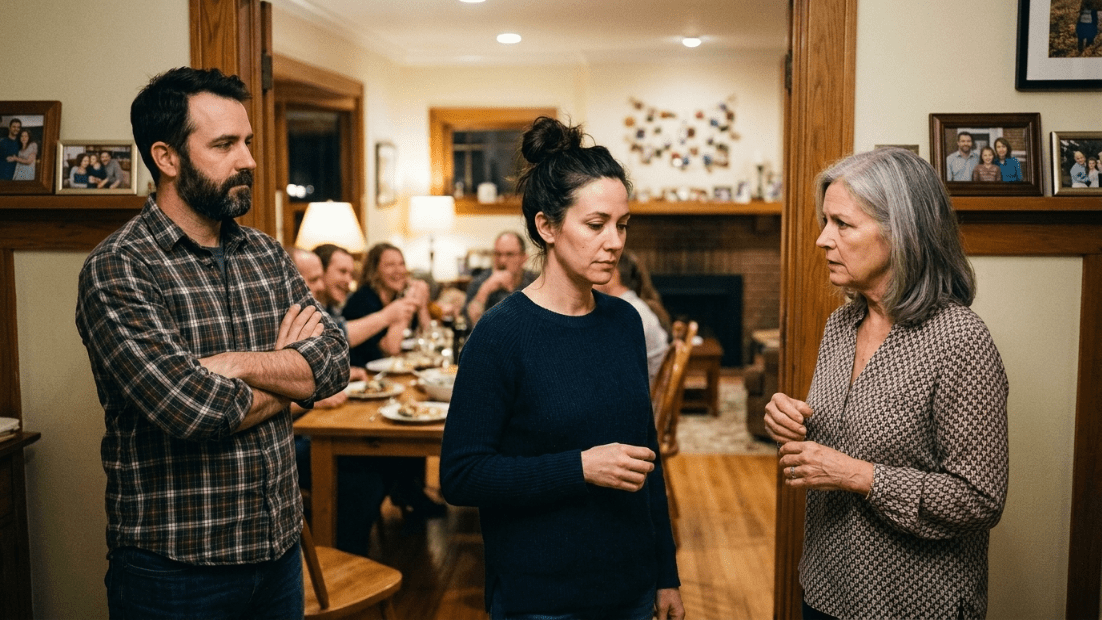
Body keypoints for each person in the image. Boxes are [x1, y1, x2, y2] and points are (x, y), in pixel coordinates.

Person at [75, 66, 349, 619]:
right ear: (167, 158)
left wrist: (238, 365)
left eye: (247, 141)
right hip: (175, 571)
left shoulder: (266, 254)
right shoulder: (119, 268)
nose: (248, 160)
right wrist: (291, 377)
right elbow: (195, 410)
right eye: (224, 145)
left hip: (278, 553)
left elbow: (334, 362)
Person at [440, 116, 684, 620]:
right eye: (596, 225)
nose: (614, 242)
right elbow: (462, 475)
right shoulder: (500, 335)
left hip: (631, 587)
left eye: (622, 225)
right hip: (541, 597)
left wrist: (666, 575)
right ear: (546, 227)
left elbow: (648, 457)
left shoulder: (624, 323)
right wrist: (580, 468)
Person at [764, 147, 1008, 619]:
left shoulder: (960, 340)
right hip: (824, 589)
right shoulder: (841, 324)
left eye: (842, 224)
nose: (822, 239)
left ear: (903, 233)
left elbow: (979, 499)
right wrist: (790, 423)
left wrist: (857, 476)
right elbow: (843, 441)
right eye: (825, 221)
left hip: (915, 604)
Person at [305, 243, 419, 359]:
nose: (349, 280)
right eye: (342, 271)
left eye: (351, 274)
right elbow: (334, 336)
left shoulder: (332, 308)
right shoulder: (363, 299)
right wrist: (390, 314)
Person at [342, 242, 431, 367]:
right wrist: (409, 300)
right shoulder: (363, 299)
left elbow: (429, 338)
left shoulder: (397, 296)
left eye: (402, 264)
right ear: (375, 271)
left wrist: (422, 306)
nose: (398, 270)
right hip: (362, 372)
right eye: (390, 265)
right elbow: (391, 349)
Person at [594, 250, 670, 384]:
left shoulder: (627, 313)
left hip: (639, 393)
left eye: (595, 269)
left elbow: (608, 370)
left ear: (614, 274)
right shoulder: (630, 306)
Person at [463, 230, 538, 326]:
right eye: (498, 254)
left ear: (524, 257)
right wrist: (486, 289)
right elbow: (472, 323)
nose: (502, 260)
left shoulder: (536, 282)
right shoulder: (480, 281)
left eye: (509, 254)